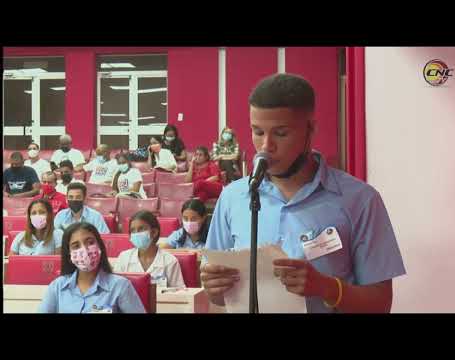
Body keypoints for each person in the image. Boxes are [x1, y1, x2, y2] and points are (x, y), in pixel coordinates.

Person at [201, 73, 406, 313]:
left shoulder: (360, 200)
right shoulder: (233, 198)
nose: (266, 146)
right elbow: (217, 297)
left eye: (281, 133)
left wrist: (328, 288)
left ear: (311, 129)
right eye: (258, 131)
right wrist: (213, 288)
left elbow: (380, 304)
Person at [38, 222, 146, 313]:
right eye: (76, 246)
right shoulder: (57, 286)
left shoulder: (120, 286)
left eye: (90, 242)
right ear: (69, 255)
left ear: (100, 246)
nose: (84, 250)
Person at [114, 210, 185, 287]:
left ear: (154, 232)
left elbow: (179, 292)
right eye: (133, 230)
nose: (136, 233)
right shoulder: (124, 257)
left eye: (141, 229)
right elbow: (115, 289)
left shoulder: (169, 261)